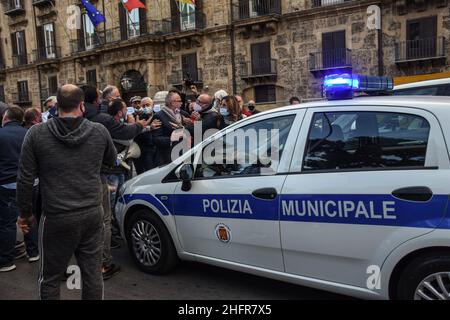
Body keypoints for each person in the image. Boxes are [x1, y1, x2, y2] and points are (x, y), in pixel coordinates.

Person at [16, 84, 117, 300]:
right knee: (92, 274)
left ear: (56, 106)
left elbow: (25, 178)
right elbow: (111, 162)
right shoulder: (99, 131)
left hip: (56, 216)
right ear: (82, 106)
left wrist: (25, 214)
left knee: (50, 277)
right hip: (91, 212)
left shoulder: (36, 133)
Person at [0, 106, 39, 272]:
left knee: (7, 223)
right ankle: (33, 252)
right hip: (31, 182)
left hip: (7, 183)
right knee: (29, 215)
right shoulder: (29, 133)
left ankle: (6, 261)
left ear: (5, 118)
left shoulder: (1, 134)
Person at [153, 92, 188, 166]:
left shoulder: (182, 114)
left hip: (183, 153)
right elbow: (157, 139)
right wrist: (172, 138)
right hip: (168, 157)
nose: (181, 103)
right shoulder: (159, 116)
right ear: (171, 103)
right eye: (179, 101)